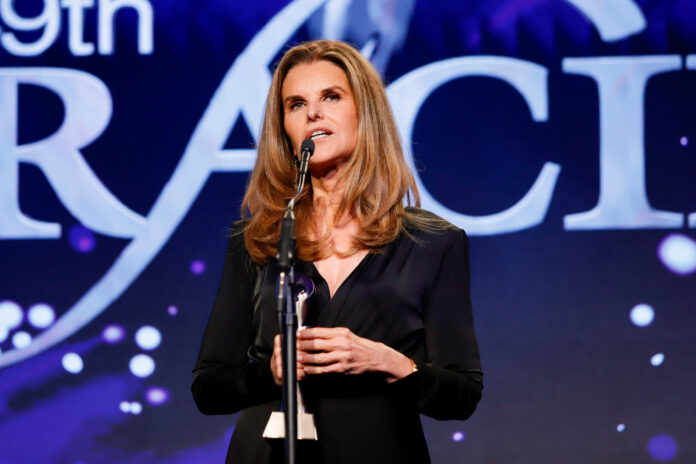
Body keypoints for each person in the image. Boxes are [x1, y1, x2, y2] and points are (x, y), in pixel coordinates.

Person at [191, 39, 482, 464]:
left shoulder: (434, 244)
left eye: (331, 96)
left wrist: (388, 362)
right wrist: (269, 372)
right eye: (295, 104)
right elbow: (208, 387)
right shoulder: (258, 240)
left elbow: (461, 395)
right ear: (285, 131)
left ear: (365, 112)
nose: (313, 113)